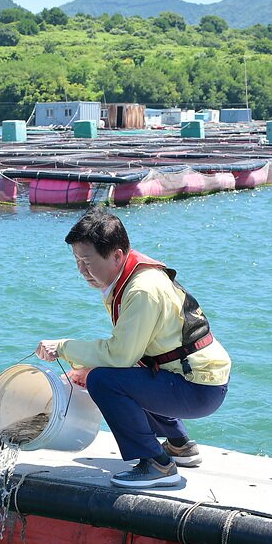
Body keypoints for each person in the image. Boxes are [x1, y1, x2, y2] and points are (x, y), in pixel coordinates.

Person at [36, 208, 230, 488]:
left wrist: (65, 349)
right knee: (120, 373)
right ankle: (179, 445)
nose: (81, 270)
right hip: (196, 380)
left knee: (103, 380)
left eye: (87, 261)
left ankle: (157, 464)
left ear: (116, 256)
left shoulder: (141, 290)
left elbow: (120, 355)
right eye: (77, 260)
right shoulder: (131, 277)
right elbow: (131, 353)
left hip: (198, 388)